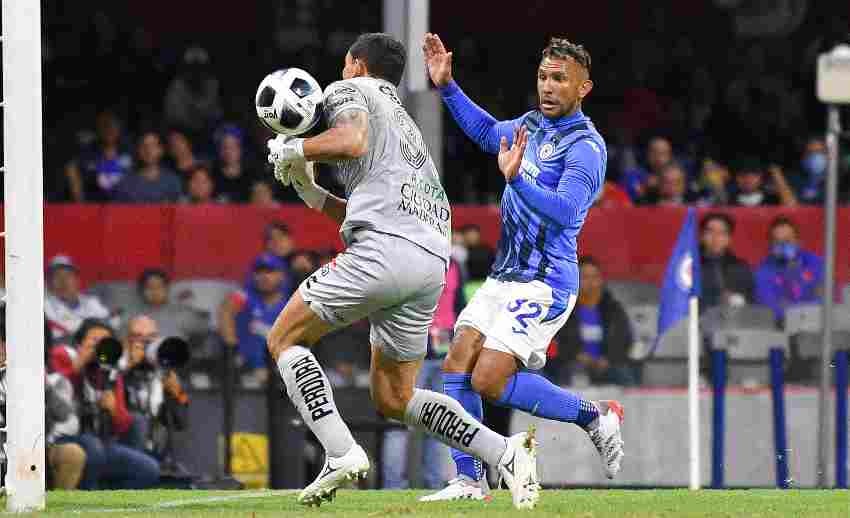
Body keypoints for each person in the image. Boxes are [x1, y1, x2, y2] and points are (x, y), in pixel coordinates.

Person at [265, 32, 537, 509]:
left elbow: (350, 139)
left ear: (355, 64)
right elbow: (369, 205)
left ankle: (340, 452)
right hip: (428, 261)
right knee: (395, 396)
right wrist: (310, 192)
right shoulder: (404, 124)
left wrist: (296, 149)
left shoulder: (349, 91)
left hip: (386, 252)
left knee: (285, 339)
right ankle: (505, 452)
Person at [420, 33, 623, 501]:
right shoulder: (531, 124)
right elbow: (488, 132)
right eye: (543, 77)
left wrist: (516, 179)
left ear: (583, 88)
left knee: (487, 380)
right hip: (504, 275)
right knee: (458, 359)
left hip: (546, 282)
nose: (548, 87)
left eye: (560, 79)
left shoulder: (587, 147)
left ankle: (595, 416)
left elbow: (567, 210)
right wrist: (447, 87)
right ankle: (469, 479)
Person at [49, 319, 160, 489]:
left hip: (97, 442)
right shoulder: (62, 355)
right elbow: (52, 388)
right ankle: (86, 500)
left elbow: (121, 426)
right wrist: (79, 364)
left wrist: (114, 409)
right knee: (93, 446)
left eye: (105, 343)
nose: (99, 348)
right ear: (79, 343)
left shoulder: (109, 371)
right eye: (94, 341)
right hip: (60, 437)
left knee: (149, 469)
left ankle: (114, 506)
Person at [552, 257, 637, 386]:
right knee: (574, 377)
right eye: (585, 277)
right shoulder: (563, 308)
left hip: (608, 364)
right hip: (574, 363)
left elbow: (625, 339)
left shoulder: (613, 309)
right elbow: (557, 341)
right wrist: (578, 356)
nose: (591, 282)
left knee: (625, 376)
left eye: (595, 277)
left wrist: (608, 359)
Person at [219, 254, 290, 386]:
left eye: (270, 271)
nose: (264, 276)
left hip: (279, 373)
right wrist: (232, 346)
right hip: (244, 369)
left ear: (281, 275)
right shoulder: (245, 297)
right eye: (259, 272)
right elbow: (226, 311)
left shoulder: (290, 305)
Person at [754, 217, 824, 323]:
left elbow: (825, 297)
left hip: (815, 324)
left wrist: (803, 313)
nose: (782, 245)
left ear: (798, 242)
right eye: (777, 241)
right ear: (770, 244)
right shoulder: (762, 271)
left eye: (787, 241)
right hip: (780, 327)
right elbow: (770, 307)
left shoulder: (815, 263)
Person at [44, 254, 111, 341]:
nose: (63, 281)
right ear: (48, 283)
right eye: (57, 276)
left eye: (68, 275)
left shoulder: (92, 302)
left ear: (77, 280)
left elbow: (109, 325)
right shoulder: (45, 308)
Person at [699, 213, 754, 310]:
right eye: (710, 232)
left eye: (721, 233)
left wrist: (739, 299)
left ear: (729, 239)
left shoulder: (740, 267)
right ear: (702, 236)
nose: (715, 238)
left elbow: (751, 300)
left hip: (733, 321)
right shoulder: (690, 266)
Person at [112, 131, 182, 203]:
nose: (148, 150)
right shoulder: (125, 183)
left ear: (160, 150)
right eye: (144, 146)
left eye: (153, 145)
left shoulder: (172, 181)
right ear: (138, 150)